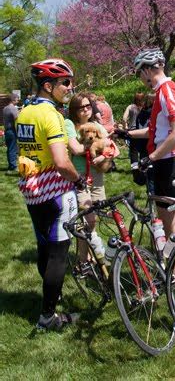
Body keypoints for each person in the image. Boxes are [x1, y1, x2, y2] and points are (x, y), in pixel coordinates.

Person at [119, 48, 175, 292]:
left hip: (173, 163)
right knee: (169, 225)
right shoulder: (160, 93)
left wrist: (152, 156)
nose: (140, 78)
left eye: (139, 73)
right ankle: (172, 275)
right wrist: (126, 133)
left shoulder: (169, 90)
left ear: (148, 71)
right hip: (163, 164)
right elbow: (156, 131)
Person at [16, 59, 84, 331]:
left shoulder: (25, 112)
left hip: (33, 191)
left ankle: (51, 296)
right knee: (59, 253)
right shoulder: (51, 115)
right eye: (65, 82)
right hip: (55, 191)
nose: (70, 87)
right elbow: (61, 162)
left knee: (44, 248)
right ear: (48, 85)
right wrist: (78, 180)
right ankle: (48, 316)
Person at [65, 93, 110, 262]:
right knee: (87, 217)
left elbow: (112, 147)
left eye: (88, 106)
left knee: (94, 218)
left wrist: (105, 154)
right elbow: (76, 150)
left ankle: (90, 257)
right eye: (81, 107)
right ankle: (82, 261)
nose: (85, 110)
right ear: (74, 110)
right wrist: (96, 145)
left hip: (97, 174)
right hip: (80, 176)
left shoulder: (97, 125)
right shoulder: (69, 124)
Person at [123, 92, 147, 185]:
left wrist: (125, 127)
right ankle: (143, 168)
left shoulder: (130, 107)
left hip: (132, 132)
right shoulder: (145, 107)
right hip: (143, 132)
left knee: (133, 152)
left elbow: (124, 118)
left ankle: (135, 169)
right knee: (143, 151)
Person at [3, 94, 19, 171]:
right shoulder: (13, 108)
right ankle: (13, 166)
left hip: (6, 130)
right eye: (17, 99)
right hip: (12, 130)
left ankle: (10, 165)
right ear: (13, 100)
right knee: (13, 148)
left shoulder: (5, 108)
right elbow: (16, 118)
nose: (18, 101)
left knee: (9, 148)